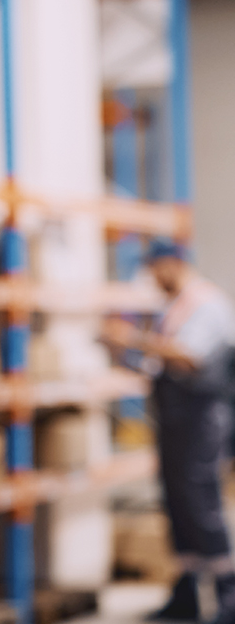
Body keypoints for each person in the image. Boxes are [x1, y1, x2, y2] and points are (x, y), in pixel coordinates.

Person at [103, 241, 235, 624]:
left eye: (154, 268)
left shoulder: (207, 304)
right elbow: (156, 363)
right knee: (176, 503)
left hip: (202, 419)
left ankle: (229, 594)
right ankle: (188, 589)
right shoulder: (173, 309)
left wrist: (134, 339)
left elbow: (190, 356)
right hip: (175, 421)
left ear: (172, 264)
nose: (151, 277)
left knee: (201, 502)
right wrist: (122, 349)